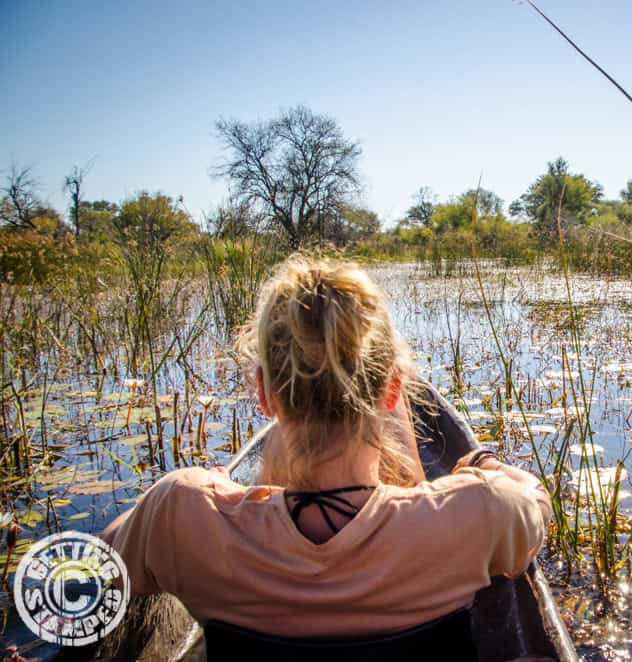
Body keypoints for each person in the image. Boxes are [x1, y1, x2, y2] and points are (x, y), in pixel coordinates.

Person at [102, 254, 552, 638]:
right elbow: (535, 500)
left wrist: (208, 486)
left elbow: (104, 558)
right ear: (393, 391)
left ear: (264, 393)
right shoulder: (483, 512)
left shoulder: (181, 512)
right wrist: (483, 463)